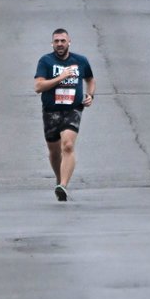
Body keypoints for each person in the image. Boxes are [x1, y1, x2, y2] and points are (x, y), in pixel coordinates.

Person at [33, 29, 95, 202]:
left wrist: (90, 95)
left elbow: (90, 79)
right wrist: (60, 77)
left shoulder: (80, 61)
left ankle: (63, 186)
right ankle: (60, 178)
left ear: (69, 42)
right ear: (52, 44)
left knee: (67, 145)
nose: (60, 44)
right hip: (51, 111)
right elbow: (38, 87)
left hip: (72, 109)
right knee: (54, 151)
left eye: (63, 41)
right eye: (56, 41)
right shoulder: (46, 61)